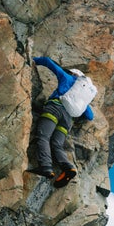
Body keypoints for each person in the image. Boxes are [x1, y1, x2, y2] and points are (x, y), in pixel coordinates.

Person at [27, 56, 94, 188]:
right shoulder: (82, 99)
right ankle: (68, 167)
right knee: (57, 145)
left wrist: (31, 59)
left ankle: (46, 167)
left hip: (55, 108)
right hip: (68, 120)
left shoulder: (68, 78)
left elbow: (48, 62)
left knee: (43, 136)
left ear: (75, 75)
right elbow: (90, 116)